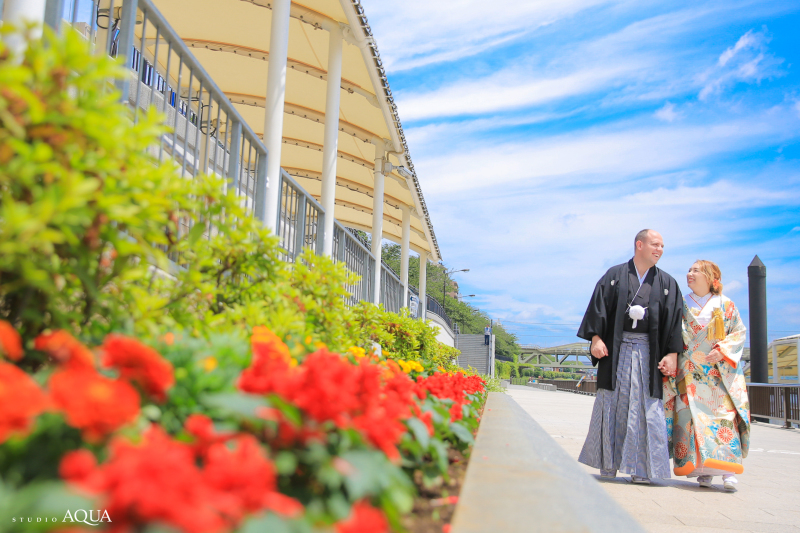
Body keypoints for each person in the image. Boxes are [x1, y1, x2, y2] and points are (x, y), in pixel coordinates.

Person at [576, 229, 684, 484]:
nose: (659, 249)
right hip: (617, 350)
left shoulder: (667, 283)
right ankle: (607, 464)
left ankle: (642, 468)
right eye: (655, 244)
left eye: (662, 246)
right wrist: (596, 339)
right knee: (610, 403)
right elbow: (597, 309)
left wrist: (671, 353)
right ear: (639, 245)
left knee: (647, 407)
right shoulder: (614, 276)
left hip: (649, 351)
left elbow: (674, 322)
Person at [663, 260, 749, 491]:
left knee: (723, 420)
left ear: (711, 277)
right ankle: (702, 472)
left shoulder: (726, 304)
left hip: (717, 374)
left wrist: (721, 350)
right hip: (689, 373)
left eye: (696, 271)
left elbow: (739, 332)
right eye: (689, 270)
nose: (689, 274)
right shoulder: (679, 304)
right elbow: (670, 333)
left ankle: (728, 472)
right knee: (691, 422)